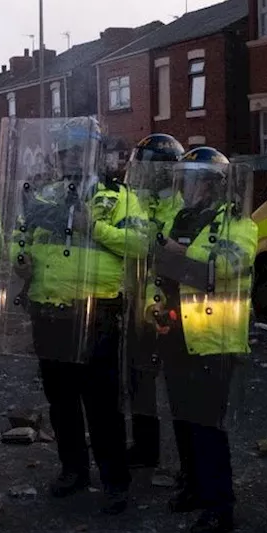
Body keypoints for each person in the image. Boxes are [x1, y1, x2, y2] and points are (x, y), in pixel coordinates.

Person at [13, 116, 149, 515]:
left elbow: (141, 245)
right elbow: (20, 238)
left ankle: (114, 481)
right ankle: (73, 470)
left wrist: (98, 229)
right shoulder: (46, 196)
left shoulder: (119, 195)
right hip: (50, 311)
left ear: (93, 152)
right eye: (66, 150)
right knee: (61, 402)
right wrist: (19, 259)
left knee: (102, 404)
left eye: (79, 149)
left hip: (98, 313)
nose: (72, 157)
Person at [146, 147, 256, 533]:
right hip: (176, 333)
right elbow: (157, 275)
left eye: (194, 179)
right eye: (185, 179)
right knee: (184, 420)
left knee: (209, 427)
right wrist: (153, 308)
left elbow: (227, 266)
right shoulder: (178, 218)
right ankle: (192, 485)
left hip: (214, 339)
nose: (187, 187)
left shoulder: (237, 223)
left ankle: (219, 507)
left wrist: (178, 254)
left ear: (212, 185)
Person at [122, 133, 186, 473]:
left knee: (178, 384)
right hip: (137, 305)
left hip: (174, 308)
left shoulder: (183, 209)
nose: (145, 175)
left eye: (152, 169)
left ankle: (188, 458)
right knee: (139, 379)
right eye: (141, 168)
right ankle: (146, 448)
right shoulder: (132, 203)